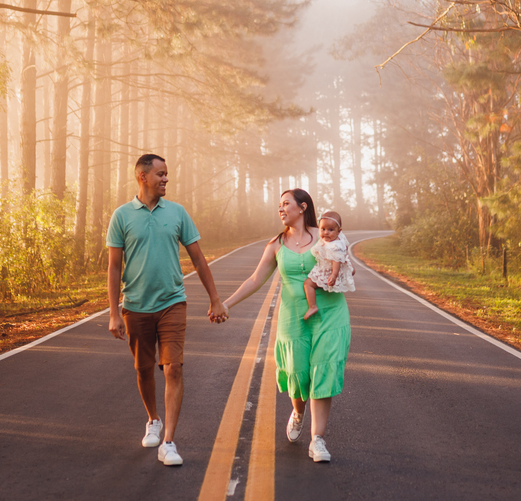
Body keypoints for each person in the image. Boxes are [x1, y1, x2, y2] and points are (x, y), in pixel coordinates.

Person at [107, 153, 228, 467]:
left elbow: (199, 259)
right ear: (142, 176)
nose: (166, 179)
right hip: (134, 306)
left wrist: (215, 298)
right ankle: (153, 420)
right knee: (143, 369)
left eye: (167, 174)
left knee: (173, 368)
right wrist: (113, 312)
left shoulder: (177, 213)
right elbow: (113, 266)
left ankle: (170, 443)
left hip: (172, 303)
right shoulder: (121, 216)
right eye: (160, 174)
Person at [222, 190, 351, 463]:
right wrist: (226, 304)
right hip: (293, 319)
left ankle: (318, 440)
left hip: (330, 314)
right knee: (298, 376)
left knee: (323, 372)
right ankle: (298, 411)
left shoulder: (325, 233)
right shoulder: (276, 245)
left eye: (286, 204)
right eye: (279, 205)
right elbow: (256, 279)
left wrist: (343, 269)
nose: (281, 209)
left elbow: (346, 262)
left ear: (302, 207)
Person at [303, 211, 355, 321]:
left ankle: (312, 306)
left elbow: (337, 260)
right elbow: (344, 254)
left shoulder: (334, 246)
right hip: (328, 268)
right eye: (323, 229)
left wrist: (334, 275)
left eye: (331, 230)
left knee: (308, 284)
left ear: (338, 231)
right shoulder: (337, 240)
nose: (326, 233)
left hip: (328, 272)